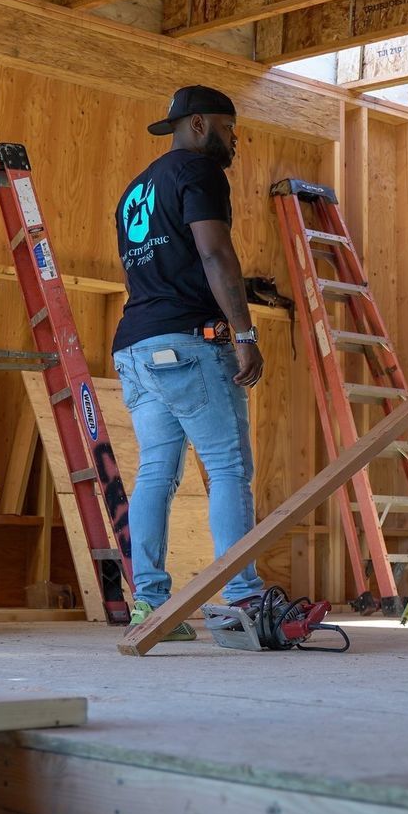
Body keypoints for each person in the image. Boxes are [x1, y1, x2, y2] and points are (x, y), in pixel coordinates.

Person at [112, 85, 266, 641]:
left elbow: (168, 267)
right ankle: (243, 595)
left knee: (156, 472)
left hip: (134, 348)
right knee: (227, 468)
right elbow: (213, 252)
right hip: (188, 345)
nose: (234, 144)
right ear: (200, 125)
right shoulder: (200, 173)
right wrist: (244, 332)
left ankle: (149, 605)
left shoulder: (135, 191)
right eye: (229, 130)